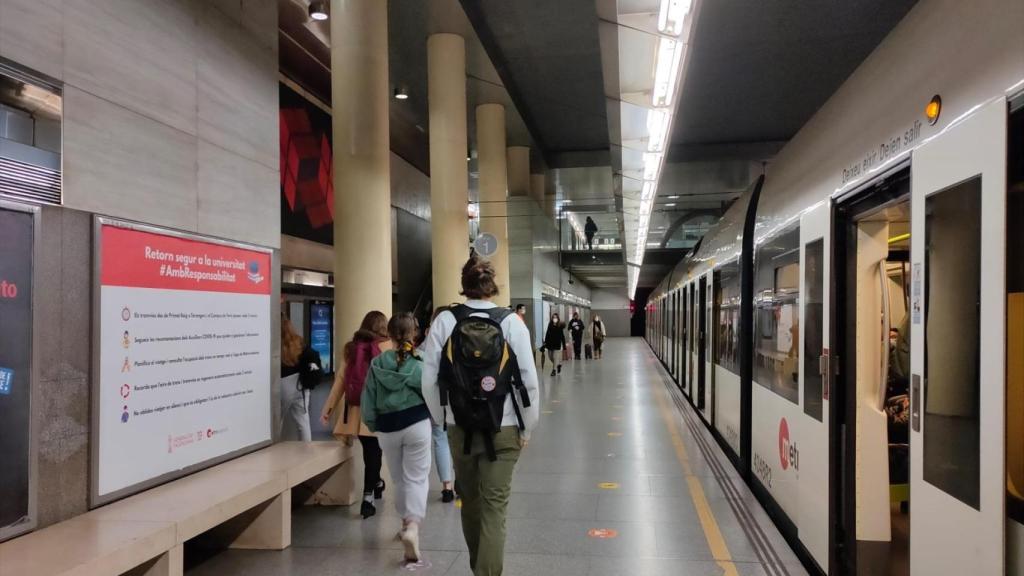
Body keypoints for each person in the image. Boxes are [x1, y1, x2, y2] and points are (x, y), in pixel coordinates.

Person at [421, 255, 540, 576]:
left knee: (471, 505)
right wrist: (526, 428)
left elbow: (429, 379)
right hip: (504, 427)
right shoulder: (512, 322)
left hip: (459, 427)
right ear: (492, 286)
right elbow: (528, 379)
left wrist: (443, 419)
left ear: (465, 285)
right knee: (494, 509)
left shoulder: (445, 321)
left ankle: (480, 569)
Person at [361, 313, 432, 562]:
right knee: (417, 477)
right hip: (417, 424)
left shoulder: (378, 364)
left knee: (399, 479)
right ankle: (412, 526)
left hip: (387, 427)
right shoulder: (420, 362)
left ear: (389, 335)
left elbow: (367, 399)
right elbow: (431, 395)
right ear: (414, 333)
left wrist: (373, 424)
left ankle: (404, 523)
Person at [321, 311, 390, 519]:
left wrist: (327, 410)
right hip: (377, 410)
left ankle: (376, 484)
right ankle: (368, 496)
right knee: (374, 453)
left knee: (370, 451)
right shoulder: (387, 347)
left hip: (355, 412)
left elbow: (341, 381)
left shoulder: (351, 348)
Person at [423, 306, 456, 503]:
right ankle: (461, 479)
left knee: (441, 439)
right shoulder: (461, 336)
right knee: (460, 438)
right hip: (459, 397)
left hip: (437, 397)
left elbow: (425, 375)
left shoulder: (429, 340)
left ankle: (447, 487)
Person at [280, 313, 320, 441]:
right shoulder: (298, 340)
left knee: (276, 421)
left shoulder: (274, 341)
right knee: (303, 422)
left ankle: (273, 450)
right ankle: (306, 451)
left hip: (282, 384)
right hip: (300, 384)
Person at [543, 312, 567, 376]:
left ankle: (554, 370)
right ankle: (558, 365)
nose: (554, 318)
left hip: (557, 344)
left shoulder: (560, 326)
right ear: (552, 318)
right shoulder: (550, 324)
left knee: (555, 357)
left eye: (556, 317)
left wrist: (564, 346)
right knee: (550, 357)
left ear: (558, 318)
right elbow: (547, 334)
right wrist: (545, 342)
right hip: (550, 344)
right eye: (553, 317)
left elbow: (562, 336)